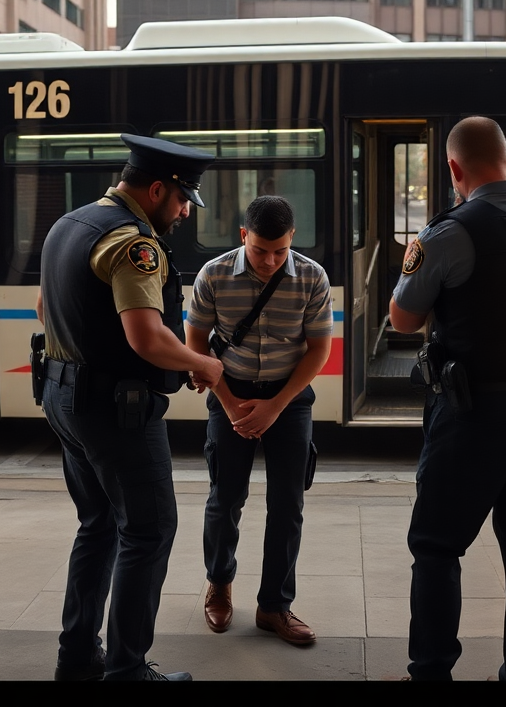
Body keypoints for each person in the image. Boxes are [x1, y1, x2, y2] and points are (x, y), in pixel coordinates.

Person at [388, 116, 506, 681]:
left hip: (474, 413)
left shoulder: (445, 233)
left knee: (436, 545)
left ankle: (430, 673)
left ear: (454, 169)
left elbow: (403, 319)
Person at [37, 134, 224, 681]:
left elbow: (47, 307)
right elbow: (145, 336)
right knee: (149, 530)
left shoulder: (68, 224)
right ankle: (127, 671)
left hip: (64, 397)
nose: (186, 211)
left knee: (97, 525)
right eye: (184, 198)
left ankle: (77, 660)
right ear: (158, 189)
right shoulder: (131, 243)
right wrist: (201, 363)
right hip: (115, 410)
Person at [185, 196, 333, 646]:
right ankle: (220, 585)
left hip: (289, 401)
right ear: (243, 236)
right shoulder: (212, 275)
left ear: (292, 240)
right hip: (229, 393)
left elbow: (318, 350)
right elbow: (196, 346)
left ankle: (274, 606)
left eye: (280, 251)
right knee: (225, 497)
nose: (270, 261)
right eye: (260, 250)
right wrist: (230, 404)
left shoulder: (311, 277)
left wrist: (276, 405)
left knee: (288, 505)